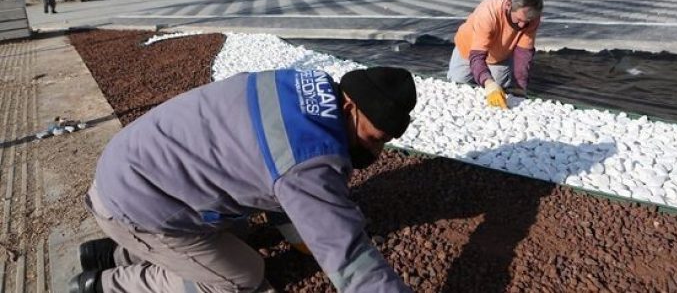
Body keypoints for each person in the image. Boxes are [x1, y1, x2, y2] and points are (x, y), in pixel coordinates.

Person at [70, 67, 418, 293]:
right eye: (374, 138)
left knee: (238, 235)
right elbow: (351, 258)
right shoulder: (312, 157)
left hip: (129, 169)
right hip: (137, 208)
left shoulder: (301, 84)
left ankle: (115, 254)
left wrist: (302, 232)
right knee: (243, 276)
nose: (376, 151)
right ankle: (106, 284)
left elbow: (278, 176)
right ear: (348, 110)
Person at [447, 0, 543, 109]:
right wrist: (488, 83)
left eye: (527, 21)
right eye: (519, 19)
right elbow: (477, 56)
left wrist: (519, 86)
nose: (522, 25)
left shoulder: (531, 17)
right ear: (509, 5)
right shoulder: (489, 12)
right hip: (468, 49)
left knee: (500, 86)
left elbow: (523, 54)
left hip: (499, 56)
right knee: (458, 82)